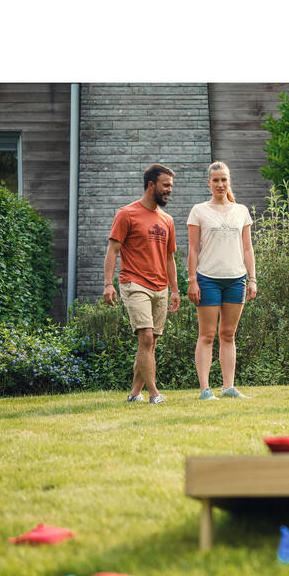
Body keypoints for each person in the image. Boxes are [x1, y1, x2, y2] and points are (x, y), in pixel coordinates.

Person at [103, 163, 180, 404]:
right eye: (165, 185)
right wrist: (108, 283)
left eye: (171, 186)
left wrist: (175, 289)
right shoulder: (127, 214)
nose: (169, 190)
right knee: (146, 338)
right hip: (134, 283)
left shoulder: (167, 220)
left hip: (161, 287)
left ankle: (134, 393)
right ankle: (154, 393)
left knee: (150, 343)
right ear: (151, 185)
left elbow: (169, 257)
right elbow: (113, 250)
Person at [187, 161, 257, 400]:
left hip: (236, 279)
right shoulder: (199, 211)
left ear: (229, 181)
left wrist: (253, 279)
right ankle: (205, 390)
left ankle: (228, 387)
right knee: (206, 335)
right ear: (209, 183)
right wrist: (192, 280)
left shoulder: (241, 211)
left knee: (228, 334)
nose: (220, 184)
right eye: (215, 180)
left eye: (223, 179)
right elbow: (193, 250)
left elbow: (248, 249)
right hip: (207, 280)